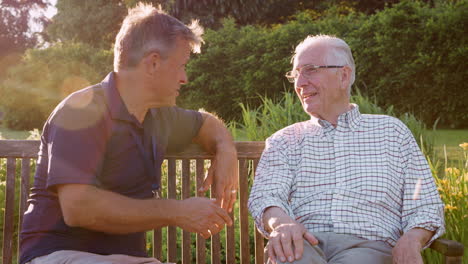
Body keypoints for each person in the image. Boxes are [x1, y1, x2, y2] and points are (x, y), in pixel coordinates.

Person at [20, 3, 238, 264]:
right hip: (58, 255)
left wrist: (226, 149)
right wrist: (176, 211)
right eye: (181, 65)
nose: (185, 78)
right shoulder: (82, 111)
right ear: (153, 63)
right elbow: (79, 208)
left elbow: (207, 124)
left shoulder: (159, 115)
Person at [248, 35, 444, 264]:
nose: (300, 83)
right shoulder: (284, 140)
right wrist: (282, 223)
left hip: (368, 248)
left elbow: (426, 205)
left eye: (310, 70)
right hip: (302, 246)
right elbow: (265, 196)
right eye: (296, 73)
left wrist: (412, 239)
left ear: (344, 75)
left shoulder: (392, 133)